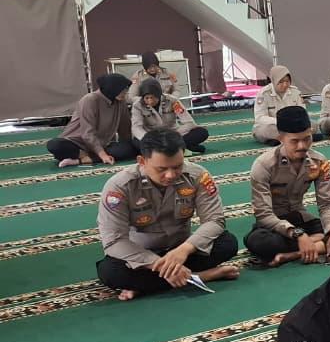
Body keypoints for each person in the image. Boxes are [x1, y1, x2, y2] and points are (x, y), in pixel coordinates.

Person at [95, 128, 239, 300]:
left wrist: (184, 249)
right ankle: (201, 276)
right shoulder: (120, 186)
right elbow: (114, 240)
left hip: (182, 249)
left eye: (177, 167)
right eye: (161, 169)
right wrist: (160, 264)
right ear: (142, 161)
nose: (170, 175)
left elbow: (214, 220)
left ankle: (146, 286)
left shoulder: (197, 175)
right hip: (142, 256)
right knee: (110, 272)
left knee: (227, 243)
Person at [246, 107, 330, 267]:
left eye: (307, 139)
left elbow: (326, 204)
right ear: (280, 138)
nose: (302, 146)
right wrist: (298, 235)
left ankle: (293, 254)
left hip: (301, 218)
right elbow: (263, 214)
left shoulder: (319, 161)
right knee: (261, 242)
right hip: (275, 224)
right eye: (294, 141)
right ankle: (319, 243)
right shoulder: (264, 165)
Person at [46, 73, 136, 167]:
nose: (126, 92)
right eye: (123, 90)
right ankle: (89, 157)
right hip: (77, 143)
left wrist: (127, 146)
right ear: (112, 88)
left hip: (102, 144)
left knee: (128, 149)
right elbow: (87, 133)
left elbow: (125, 127)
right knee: (55, 145)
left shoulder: (120, 102)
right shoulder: (89, 100)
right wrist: (102, 155)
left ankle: (82, 160)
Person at [132, 78, 209, 153]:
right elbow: (136, 127)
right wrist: (149, 138)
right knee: (137, 142)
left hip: (172, 134)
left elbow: (189, 122)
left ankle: (162, 151)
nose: (150, 101)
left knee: (201, 132)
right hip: (153, 137)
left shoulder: (172, 101)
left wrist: (172, 135)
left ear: (158, 95)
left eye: (153, 97)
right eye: (147, 98)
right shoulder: (137, 106)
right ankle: (180, 148)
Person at [253, 65, 306, 145]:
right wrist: (281, 122)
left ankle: (283, 139)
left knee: (313, 124)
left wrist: (296, 121)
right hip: (273, 126)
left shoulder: (295, 92)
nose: (285, 85)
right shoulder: (264, 94)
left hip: (292, 125)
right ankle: (300, 137)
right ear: (274, 80)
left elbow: (302, 111)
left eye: (287, 81)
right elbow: (260, 118)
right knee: (266, 130)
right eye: (281, 82)